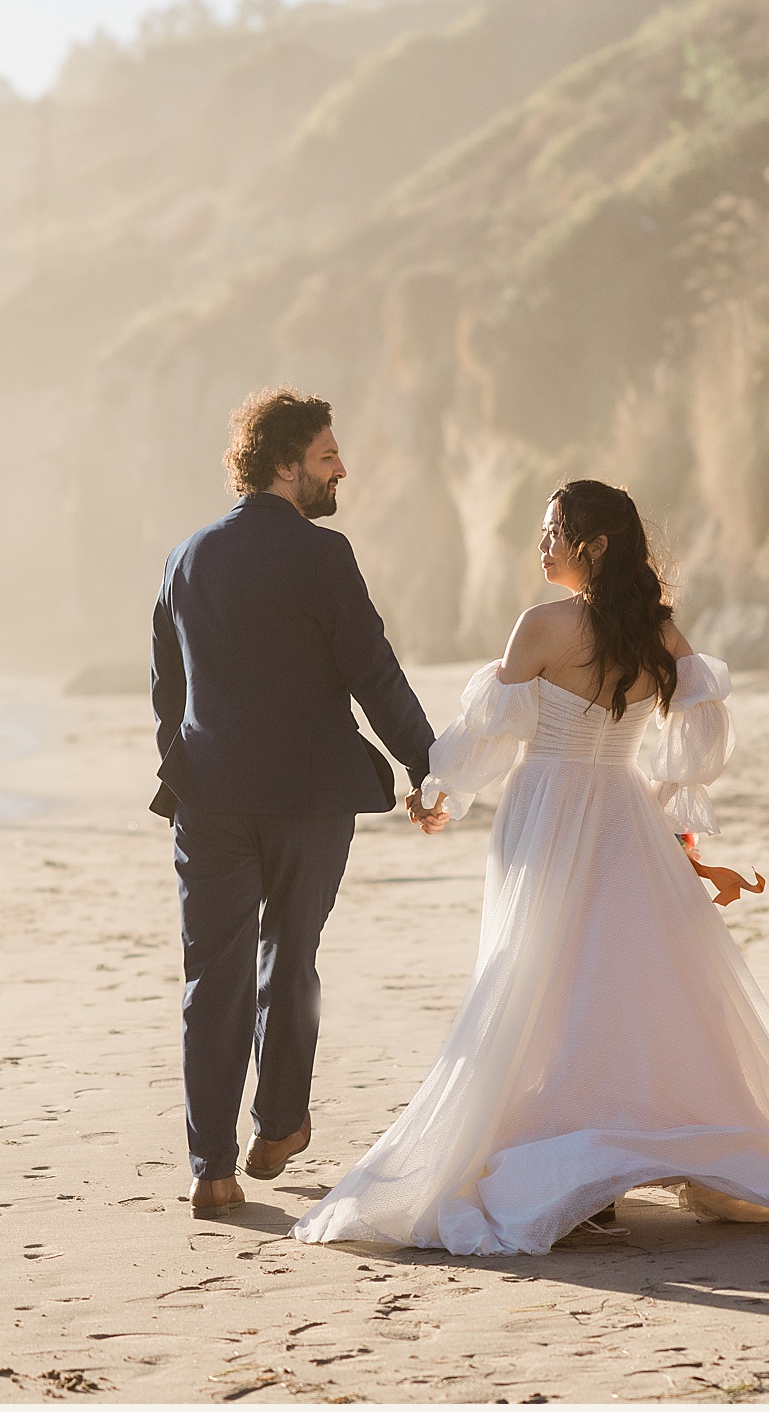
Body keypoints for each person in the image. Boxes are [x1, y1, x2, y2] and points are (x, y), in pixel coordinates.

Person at [291, 479, 769, 1254]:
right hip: (623, 813)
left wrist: (438, 792)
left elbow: (489, 737)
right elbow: (699, 740)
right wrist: (671, 812)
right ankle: (603, 1163)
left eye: (554, 529)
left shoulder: (542, 626)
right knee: (611, 984)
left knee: (539, 980)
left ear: (595, 544)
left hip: (545, 814)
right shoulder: (660, 631)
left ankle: (575, 1170)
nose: (541, 542)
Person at [150, 387, 448, 1219]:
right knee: (292, 951)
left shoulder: (185, 557)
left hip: (208, 797)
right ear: (283, 464)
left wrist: (186, 764)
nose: (339, 468)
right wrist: (427, 764)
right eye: (325, 455)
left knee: (211, 975)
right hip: (309, 795)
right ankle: (278, 1124)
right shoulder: (323, 555)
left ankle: (211, 1167)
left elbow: (165, 690)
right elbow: (371, 668)